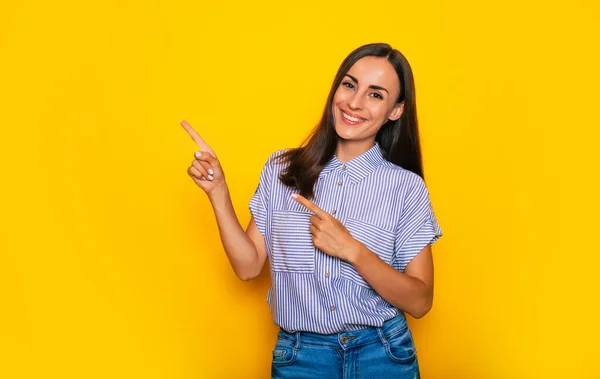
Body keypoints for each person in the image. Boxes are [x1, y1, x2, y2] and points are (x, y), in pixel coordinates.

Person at [181, 43, 443, 379]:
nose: (354, 102)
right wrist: (217, 192)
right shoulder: (281, 170)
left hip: (383, 354)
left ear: (395, 110)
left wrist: (352, 250)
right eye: (349, 85)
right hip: (300, 358)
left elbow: (421, 301)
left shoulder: (405, 188)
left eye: (375, 95)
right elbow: (247, 267)